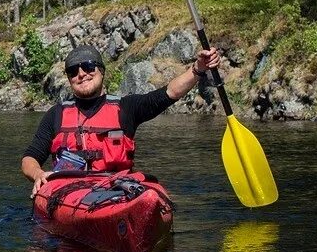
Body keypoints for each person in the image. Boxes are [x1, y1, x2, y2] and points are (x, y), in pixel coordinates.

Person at [19, 43, 222, 195]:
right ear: (70, 79)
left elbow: (170, 93)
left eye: (88, 67)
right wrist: (38, 174)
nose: (81, 74)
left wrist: (198, 68)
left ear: (102, 72)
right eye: (73, 71)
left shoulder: (127, 108)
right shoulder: (56, 114)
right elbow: (29, 158)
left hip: (116, 189)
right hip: (70, 192)